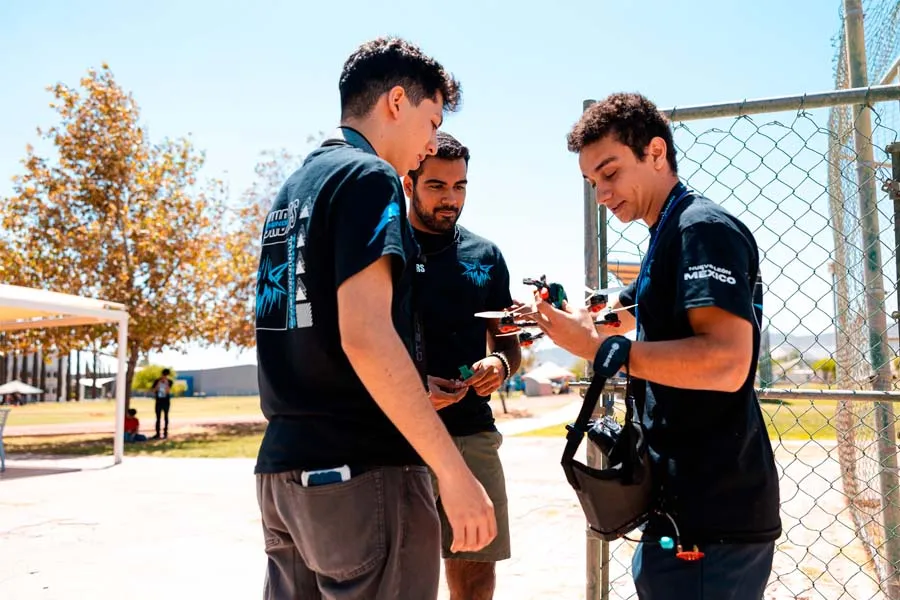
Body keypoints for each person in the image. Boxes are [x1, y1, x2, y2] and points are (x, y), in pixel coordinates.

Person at [253, 37, 496, 600]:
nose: (431, 143)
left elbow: (303, 333)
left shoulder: (294, 189)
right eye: (432, 121)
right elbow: (364, 336)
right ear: (396, 102)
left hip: (283, 476)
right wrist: (453, 472)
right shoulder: (371, 176)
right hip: (363, 477)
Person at [530, 92, 782, 599]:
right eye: (592, 182)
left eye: (609, 172)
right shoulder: (666, 233)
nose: (601, 193)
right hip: (680, 508)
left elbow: (727, 363)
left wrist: (601, 350)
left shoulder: (700, 229)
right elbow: (617, 314)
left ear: (656, 153)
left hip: (712, 519)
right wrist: (559, 318)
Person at [403, 131, 521, 600]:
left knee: (475, 574)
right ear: (409, 184)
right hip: (400, 438)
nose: (451, 198)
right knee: (400, 577)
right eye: (437, 186)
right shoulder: (386, 251)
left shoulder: (486, 257)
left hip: (473, 433)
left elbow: (508, 344)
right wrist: (414, 388)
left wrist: (499, 364)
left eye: (460, 186)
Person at [150, 368, 173, 439]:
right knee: (158, 418)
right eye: (164, 375)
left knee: (166, 417)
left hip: (166, 402)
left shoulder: (169, 381)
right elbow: (153, 390)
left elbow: (168, 391)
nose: (164, 376)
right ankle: (157, 434)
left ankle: (165, 433)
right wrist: (159, 383)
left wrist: (166, 383)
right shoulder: (157, 381)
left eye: (166, 375)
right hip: (158, 401)